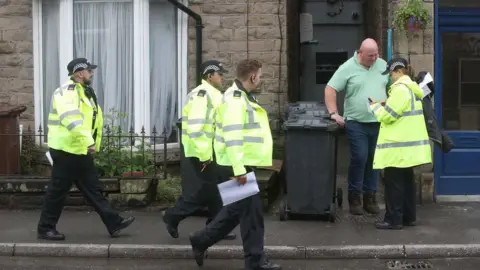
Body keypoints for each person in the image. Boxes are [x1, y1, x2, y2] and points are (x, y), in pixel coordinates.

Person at [188, 59, 281, 270]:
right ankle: (255, 261)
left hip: (234, 164)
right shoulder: (235, 100)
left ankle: (201, 240)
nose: (261, 79)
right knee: (252, 214)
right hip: (234, 166)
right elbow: (232, 138)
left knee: (237, 211)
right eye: (261, 75)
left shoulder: (239, 97)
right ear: (253, 76)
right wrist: (240, 171)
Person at [37, 58, 135, 241]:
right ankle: (45, 228)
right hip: (66, 149)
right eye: (89, 71)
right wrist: (88, 141)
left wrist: (89, 143)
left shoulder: (84, 92)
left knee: (93, 189)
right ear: (79, 73)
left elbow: (92, 121)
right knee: (58, 191)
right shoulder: (68, 92)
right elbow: (72, 120)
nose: (92, 73)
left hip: (78, 149)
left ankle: (113, 222)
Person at [163, 60, 236, 240]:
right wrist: (205, 156)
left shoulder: (214, 94)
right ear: (210, 76)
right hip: (204, 152)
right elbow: (196, 128)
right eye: (220, 74)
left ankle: (215, 226)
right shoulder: (202, 95)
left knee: (217, 187)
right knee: (209, 190)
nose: (223, 77)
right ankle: (173, 215)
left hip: (213, 151)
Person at [324, 38, 389, 215]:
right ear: (360, 53)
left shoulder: (383, 65)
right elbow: (330, 88)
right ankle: (354, 197)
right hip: (355, 121)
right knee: (360, 157)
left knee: (374, 160)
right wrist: (333, 113)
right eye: (370, 55)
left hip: (378, 121)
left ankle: (370, 197)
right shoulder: (347, 67)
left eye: (376, 54)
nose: (374, 58)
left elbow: (392, 87)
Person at [369, 57, 432, 230]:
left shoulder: (399, 90)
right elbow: (402, 111)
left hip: (397, 147)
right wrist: (387, 103)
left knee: (393, 185)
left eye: (390, 74)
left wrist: (374, 106)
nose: (390, 77)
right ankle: (408, 217)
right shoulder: (412, 89)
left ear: (398, 71)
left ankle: (394, 220)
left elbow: (388, 117)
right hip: (408, 148)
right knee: (407, 183)